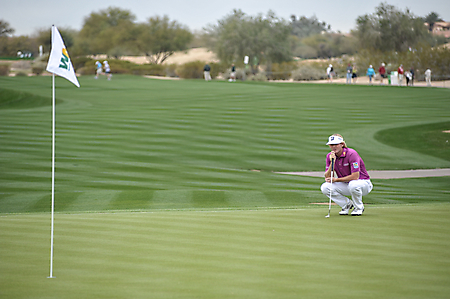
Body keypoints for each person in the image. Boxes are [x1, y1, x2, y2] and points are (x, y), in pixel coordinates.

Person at [320, 134, 373, 216]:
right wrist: (332, 162)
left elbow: (355, 176)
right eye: (331, 145)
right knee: (325, 187)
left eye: (336, 144)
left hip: (363, 183)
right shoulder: (330, 156)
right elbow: (327, 176)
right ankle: (346, 204)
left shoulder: (351, 153)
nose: (334, 147)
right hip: (347, 184)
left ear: (342, 144)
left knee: (353, 184)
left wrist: (336, 180)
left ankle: (359, 208)